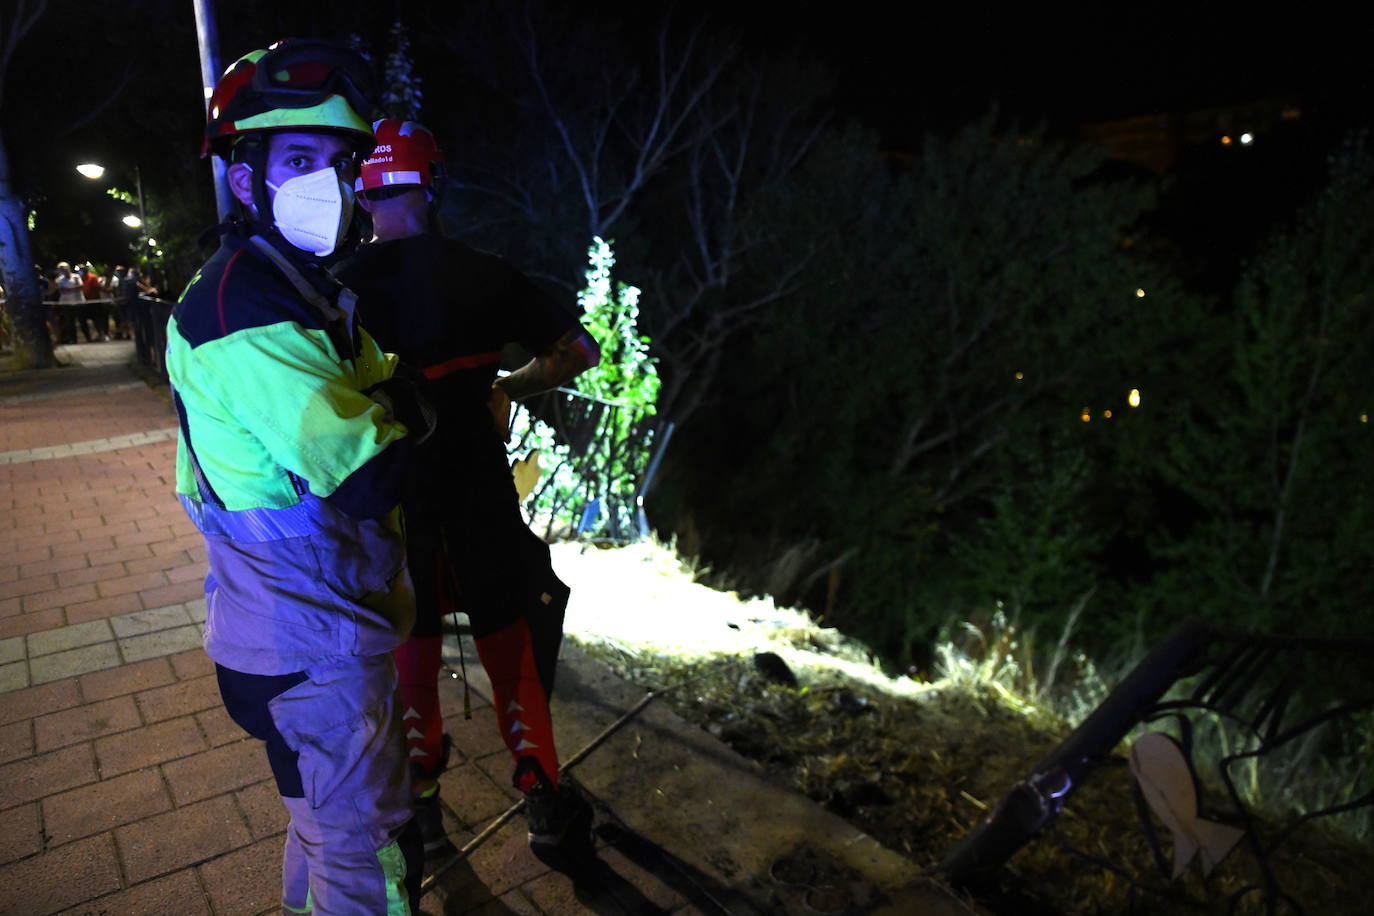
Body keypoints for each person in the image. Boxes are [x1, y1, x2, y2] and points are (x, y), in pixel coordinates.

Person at [165, 39, 429, 914]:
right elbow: (371, 478)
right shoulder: (245, 306)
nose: (331, 182)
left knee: (323, 833)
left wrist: (393, 401)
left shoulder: (293, 287)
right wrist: (410, 410)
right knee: (373, 858)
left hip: (289, 637)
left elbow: (375, 394)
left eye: (340, 162)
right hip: (312, 653)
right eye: (301, 160)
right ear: (246, 181)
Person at [336, 118, 601, 859]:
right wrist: (507, 385)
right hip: (480, 484)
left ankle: (421, 796)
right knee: (505, 633)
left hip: (392, 491)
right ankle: (542, 793)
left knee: (411, 640)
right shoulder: (485, 272)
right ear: (433, 184)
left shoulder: (339, 289)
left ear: (362, 194)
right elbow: (578, 350)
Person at [53, 261, 83, 343]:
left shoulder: (76, 277)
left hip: (78, 301)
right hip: (66, 303)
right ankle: (73, 339)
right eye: (60, 269)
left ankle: (88, 338)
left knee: (82, 320)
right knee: (70, 322)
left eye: (63, 268)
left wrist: (69, 289)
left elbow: (80, 286)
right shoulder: (59, 279)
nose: (62, 270)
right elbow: (60, 289)